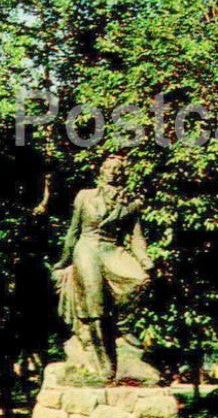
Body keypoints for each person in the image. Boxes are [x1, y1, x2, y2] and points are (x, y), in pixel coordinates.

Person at [52, 156, 153, 381]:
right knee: (95, 303)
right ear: (101, 171)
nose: (112, 172)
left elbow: (136, 237)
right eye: (108, 168)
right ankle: (104, 362)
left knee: (140, 280)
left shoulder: (132, 202)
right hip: (87, 247)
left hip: (111, 249)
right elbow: (73, 232)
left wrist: (145, 260)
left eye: (117, 169)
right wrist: (63, 261)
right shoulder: (85, 196)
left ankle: (123, 325)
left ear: (123, 174)